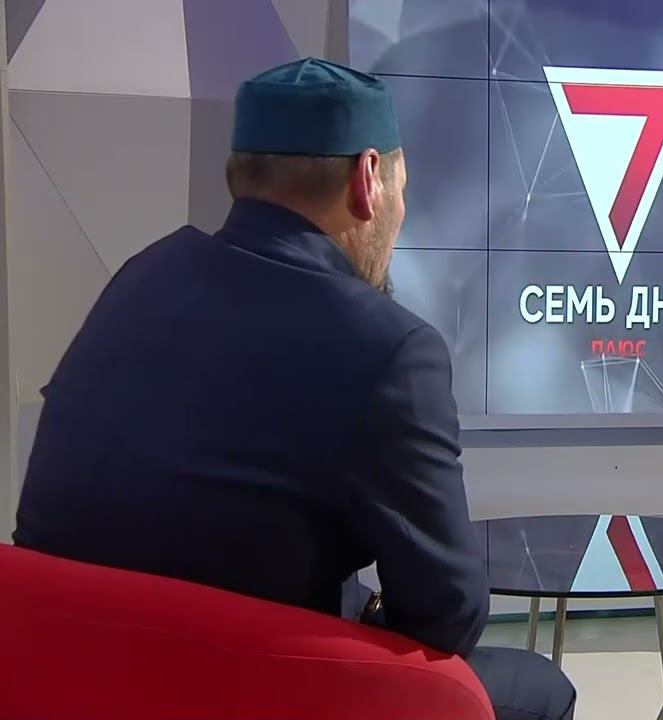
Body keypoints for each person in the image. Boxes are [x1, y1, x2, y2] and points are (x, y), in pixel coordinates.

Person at [13, 57, 575, 720]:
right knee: (541, 689)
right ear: (368, 180)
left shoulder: (140, 277)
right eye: (402, 189)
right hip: (251, 689)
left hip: (64, 678)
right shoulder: (389, 348)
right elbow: (447, 614)